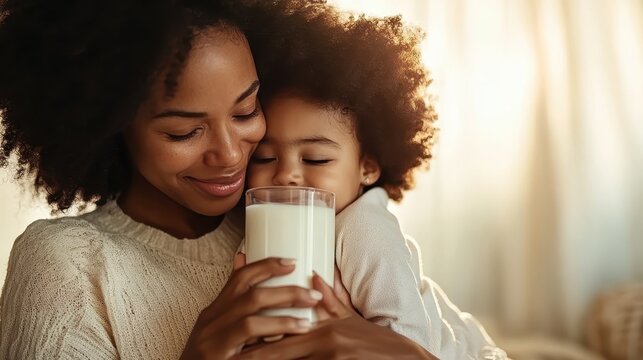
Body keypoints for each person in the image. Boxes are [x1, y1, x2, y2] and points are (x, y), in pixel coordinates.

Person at [0, 0, 437, 358]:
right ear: (109, 125)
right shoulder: (67, 265)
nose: (230, 155)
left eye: (246, 111)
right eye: (184, 131)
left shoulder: (327, 224)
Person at [243, 6, 508, 360]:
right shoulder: (264, 221)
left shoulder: (363, 228)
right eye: (264, 157)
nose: (286, 174)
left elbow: (408, 340)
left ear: (367, 167)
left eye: (316, 159)